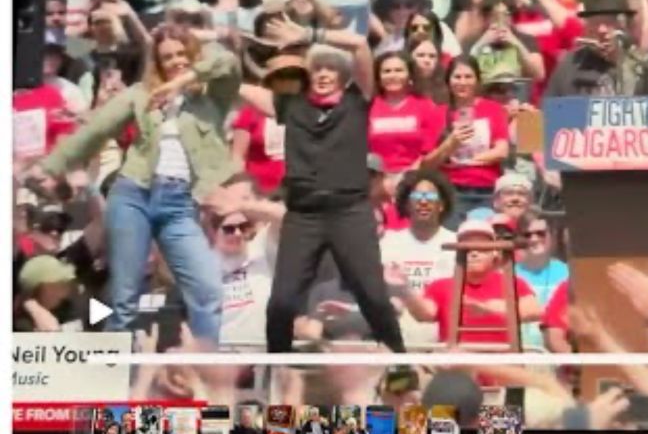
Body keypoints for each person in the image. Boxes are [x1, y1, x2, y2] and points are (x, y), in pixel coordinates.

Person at [34, 26, 242, 346]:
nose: (175, 61)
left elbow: (227, 61)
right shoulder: (140, 94)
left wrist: (184, 80)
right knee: (125, 297)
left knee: (207, 290)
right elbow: (96, 131)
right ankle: (114, 382)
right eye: (166, 57)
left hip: (180, 205)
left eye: (180, 54)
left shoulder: (213, 96)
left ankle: (205, 376)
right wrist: (52, 166)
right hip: (134, 195)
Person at [236, 38, 407, 354]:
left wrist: (309, 33)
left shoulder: (358, 101)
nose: (324, 74)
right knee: (282, 302)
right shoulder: (292, 105)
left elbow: (358, 46)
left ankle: (401, 364)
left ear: (343, 75)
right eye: (317, 68)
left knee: (373, 295)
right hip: (304, 215)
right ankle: (279, 369)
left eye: (331, 68)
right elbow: (240, 86)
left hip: (350, 211)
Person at [390, 219, 542, 347]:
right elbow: (424, 315)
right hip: (458, 373)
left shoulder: (512, 282)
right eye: (466, 248)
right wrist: (405, 289)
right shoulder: (441, 285)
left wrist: (487, 307)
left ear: (494, 251)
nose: (474, 252)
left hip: (504, 370)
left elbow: (534, 311)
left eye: (481, 247)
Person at [422, 56, 510, 228]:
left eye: (468, 77)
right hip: (452, 190)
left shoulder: (493, 109)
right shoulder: (437, 114)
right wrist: (450, 143)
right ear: (448, 80)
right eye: (457, 77)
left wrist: (465, 161)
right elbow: (427, 163)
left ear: (477, 80)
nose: (463, 82)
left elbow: (502, 151)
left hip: (487, 189)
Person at [545, 0, 648, 97]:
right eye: (595, 23)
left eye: (609, 22)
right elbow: (548, 115)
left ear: (626, 26)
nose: (602, 30)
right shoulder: (572, 65)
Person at [380, 169, 458, 344]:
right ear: (407, 204)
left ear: (441, 205)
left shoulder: (456, 244)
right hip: (395, 337)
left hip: (442, 342)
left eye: (430, 197)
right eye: (417, 197)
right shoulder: (388, 242)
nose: (423, 202)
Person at [209, 175, 286, 350]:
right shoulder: (203, 260)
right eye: (228, 229)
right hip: (218, 358)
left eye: (243, 228)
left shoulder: (260, 249)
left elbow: (287, 217)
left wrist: (240, 205)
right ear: (214, 231)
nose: (237, 233)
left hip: (259, 354)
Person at [231, 54, 307, 197]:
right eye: (282, 75)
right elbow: (237, 156)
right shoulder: (250, 112)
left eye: (295, 75)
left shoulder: (313, 112)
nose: (289, 81)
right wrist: (240, 189)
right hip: (258, 192)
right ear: (272, 80)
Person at [367, 51, 446, 185]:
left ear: (409, 75)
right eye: (387, 71)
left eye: (399, 70)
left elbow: (429, 152)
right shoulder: (368, 107)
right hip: (376, 183)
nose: (393, 75)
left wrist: (405, 178)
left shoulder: (426, 106)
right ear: (378, 77)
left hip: (416, 181)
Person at [465, 0, 544, 85]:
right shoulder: (472, 42)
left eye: (505, 15)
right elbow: (464, 72)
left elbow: (539, 74)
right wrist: (481, 44)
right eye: (494, 16)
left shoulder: (526, 39)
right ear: (486, 18)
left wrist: (517, 44)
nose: (500, 20)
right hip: (485, 92)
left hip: (517, 92)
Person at [515, 213, 569, 351]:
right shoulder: (509, 274)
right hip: (520, 351)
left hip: (557, 353)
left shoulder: (568, 273)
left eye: (540, 233)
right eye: (527, 235)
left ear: (552, 235)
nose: (534, 239)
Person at [14, 254, 88, 332]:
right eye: (60, 284)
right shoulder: (22, 327)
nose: (65, 291)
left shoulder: (62, 310)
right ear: (40, 289)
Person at [407, 34, 449, 105]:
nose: (427, 60)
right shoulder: (402, 86)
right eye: (421, 55)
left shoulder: (447, 86)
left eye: (432, 56)